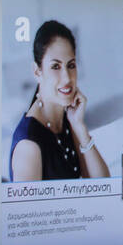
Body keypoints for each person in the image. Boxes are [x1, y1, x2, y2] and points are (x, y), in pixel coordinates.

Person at [10, 21, 110, 181]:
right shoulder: (29, 145)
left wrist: (79, 126)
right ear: (37, 72)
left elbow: (103, 186)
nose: (67, 78)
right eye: (56, 67)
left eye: (71, 65)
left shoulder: (67, 119)